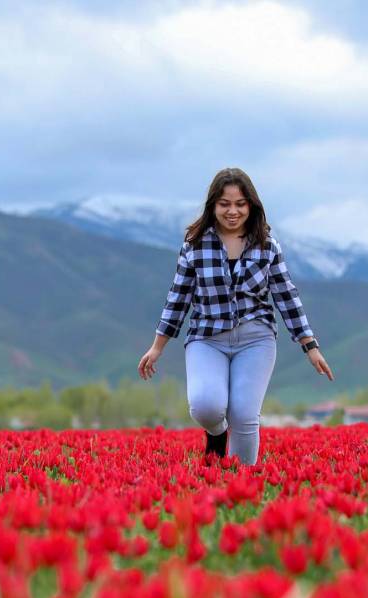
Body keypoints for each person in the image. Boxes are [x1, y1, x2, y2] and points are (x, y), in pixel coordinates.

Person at [138, 167, 334, 465]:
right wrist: (157, 347)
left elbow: (285, 296)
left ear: (251, 205)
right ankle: (217, 432)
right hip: (207, 337)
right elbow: (178, 297)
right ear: (213, 206)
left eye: (240, 204)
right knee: (206, 407)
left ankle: (238, 488)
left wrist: (310, 345)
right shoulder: (195, 245)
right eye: (224, 204)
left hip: (256, 339)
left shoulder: (267, 246)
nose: (233, 211)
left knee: (244, 414)